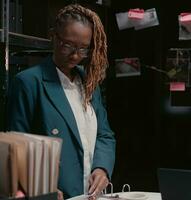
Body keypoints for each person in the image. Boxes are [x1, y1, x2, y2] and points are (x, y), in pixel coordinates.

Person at [7, 4, 116, 199]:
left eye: (83, 49)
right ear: (54, 37)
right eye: (68, 45)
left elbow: (105, 134)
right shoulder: (29, 83)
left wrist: (102, 168)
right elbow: (15, 147)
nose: (75, 55)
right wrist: (40, 186)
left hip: (90, 194)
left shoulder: (90, 84)